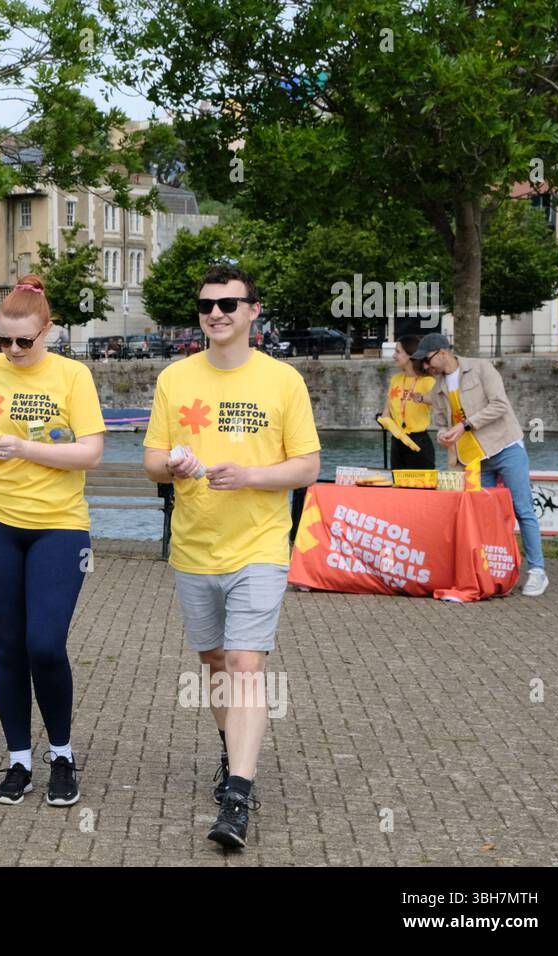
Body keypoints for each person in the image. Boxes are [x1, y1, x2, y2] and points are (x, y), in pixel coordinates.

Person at [144, 264, 320, 850]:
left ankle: (238, 796)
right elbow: (152, 460)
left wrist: (250, 475)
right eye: (206, 305)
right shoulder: (174, 378)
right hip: (194, 548)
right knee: (216, 664)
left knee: (246, 664)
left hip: (260, 546)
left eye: (228, 303)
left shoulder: (282, 381)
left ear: (253, 311)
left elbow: (307, 467)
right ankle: (232, 751)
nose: (215, 313)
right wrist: (172, 464)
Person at [0, 274, 106, 807]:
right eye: (3, 340)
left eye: (25, 340)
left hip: (59, 525)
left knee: (45, 643)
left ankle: (61, 753)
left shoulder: (73, 376)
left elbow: (90, 453)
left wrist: (22, 448)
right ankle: (19, 757)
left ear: (50, 331)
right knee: (9, 646)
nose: (13, 351)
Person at [416, 332, 547, 597]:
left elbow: (500, 405)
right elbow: (442, 421)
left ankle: (537, 571)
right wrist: (443, 434)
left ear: (443, 352)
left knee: (523, 509)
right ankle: (495, 572)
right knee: (486, 518)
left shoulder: (481, 368)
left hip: (505, 446)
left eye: (428, 360)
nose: (426, 367)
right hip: (473, 460)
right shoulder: (436, 387)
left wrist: (464, 425)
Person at [382, 334, 437, 470]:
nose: (394, 355)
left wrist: (421, 398)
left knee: (421, 488)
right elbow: (386, 412)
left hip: (419, 443)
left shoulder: (427, 381)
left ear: (411, 355)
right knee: (399, 489)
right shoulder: (396, 379)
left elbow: (438, 400)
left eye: (398, 352)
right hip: (397, 442)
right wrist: (385, 421)